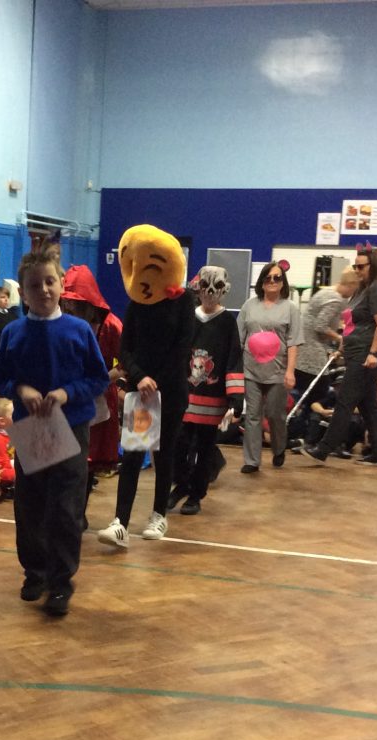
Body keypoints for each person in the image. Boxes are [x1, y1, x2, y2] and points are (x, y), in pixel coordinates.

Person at [0, 247, 108, 616]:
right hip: (33, 427)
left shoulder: (79, 331)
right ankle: (35, 573)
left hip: (71, 427)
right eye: (34, 285)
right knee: (31, 505)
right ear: (23, 292)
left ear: (60, 285)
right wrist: (21, 390)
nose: (43, 289)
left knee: (65, 506)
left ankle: (60, 583)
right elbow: (1, 377)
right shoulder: (13, 333)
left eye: (50, 281)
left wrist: (66, 393)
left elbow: (98, 378)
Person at [97, 225, 196, 547]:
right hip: (142, 392)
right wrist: (140, 377)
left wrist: (158, 381)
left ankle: (158, 515)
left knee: (163, 453)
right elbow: (126, 348)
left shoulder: (184, 300)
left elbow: (183, 346)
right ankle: (120, 522)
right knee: (134, 453)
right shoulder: (137, 302)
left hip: (171, 390)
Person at [303, 247, 377, 467]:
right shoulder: (366, 288)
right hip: (359, 352)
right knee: (368, 405)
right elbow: (356, 323)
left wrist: (373, 353)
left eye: (361, 266)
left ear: (374, 265)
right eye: (355, 266)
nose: (357, 270)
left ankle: (324, 449)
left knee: (345, 400)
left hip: (367, 355)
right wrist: (344, 345)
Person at [169, 265, 243, 515]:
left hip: (212, 399)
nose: (210, 292)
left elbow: (233, 359)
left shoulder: (227, 323)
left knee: (204, 449)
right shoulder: (188, 318)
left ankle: (195, 495)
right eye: (205, 285)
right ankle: (182, 484)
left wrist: (235, 399)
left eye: (217, 286)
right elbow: (176, 353)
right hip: (185, 396)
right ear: (197, 288)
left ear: (225, 290)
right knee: (178, 445)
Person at [237, 261, 303, 472]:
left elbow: (293, 342)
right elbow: (239, 338)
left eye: (277, 277)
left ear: (283, 282)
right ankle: (251, 460)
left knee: (275, 415)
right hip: (251, 370)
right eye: (268, 277)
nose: (272, 281)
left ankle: (279, 447)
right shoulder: (249, 306)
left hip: (278, 372)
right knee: (252, 416)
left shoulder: (290, 308)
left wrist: (290, 371)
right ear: (262, 281)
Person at [60, 264, 124, 478]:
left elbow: (127, 362)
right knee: (61, 463)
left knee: (88, 462)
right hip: (65, 397)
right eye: (66, 301)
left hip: (99, 400)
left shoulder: (111, 325)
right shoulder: (60, 322)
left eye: (74, 302)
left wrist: (100, 381)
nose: (68, 305)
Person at [290, 268, 355, 442]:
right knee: (321, 389)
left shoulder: (326, 292)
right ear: (350, 285)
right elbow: (320, 325)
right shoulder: (336, 300)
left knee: (310, 391)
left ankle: (304, 430)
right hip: (311, 350)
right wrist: (339, 337)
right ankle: (307, 432)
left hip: (305, 345)